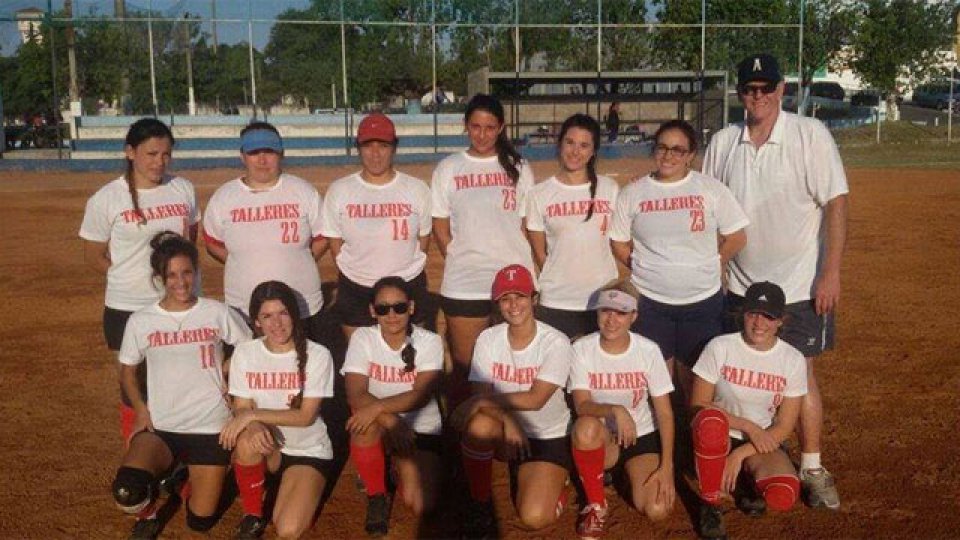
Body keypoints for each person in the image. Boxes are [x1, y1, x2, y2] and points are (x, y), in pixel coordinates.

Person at [702, 53, 848, 509]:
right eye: (750, 89)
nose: (758, 96)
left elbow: (836, 204)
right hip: (739, 288)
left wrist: (831, 271)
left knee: (799, 374)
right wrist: (715, 263)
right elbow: (706, 206)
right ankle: (744, 460)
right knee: (734, 371)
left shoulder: (810, 136)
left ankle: (811, 464)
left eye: (767, 88)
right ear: (740, 94)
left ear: (782, 90)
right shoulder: (725, 142)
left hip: (800, 286)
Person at [110, 232, 251, 539]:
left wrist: (227, 370)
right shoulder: (142, 320)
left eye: (187, 272)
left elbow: (251, 349)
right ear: (159, 278)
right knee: (127, 491)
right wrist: (142, 411)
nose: (181, 281)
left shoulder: (216, 312)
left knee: (200, 522)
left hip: (210, 427)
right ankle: (150, 513)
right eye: (171, 274)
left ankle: (177, 478)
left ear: (196, 273)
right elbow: (127, 372)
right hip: (162, 427)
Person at [79, 117, 200, 443]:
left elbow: (190, 244)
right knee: (133, 384)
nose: (159, 162)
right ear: (130, 152)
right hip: (127, 307)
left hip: (179, 305)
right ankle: (140, 461)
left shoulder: (183, 189)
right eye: (151, 154)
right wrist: (132, 278)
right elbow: (94, 257)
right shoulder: (107, 198)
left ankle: (179, 459)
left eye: (165, 154)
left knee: (182, 380)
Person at [610, 120, 748, 399]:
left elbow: (737, 236)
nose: (668, 155)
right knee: (657, 384)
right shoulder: (634, 193)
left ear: (690, 154)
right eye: (662, 147)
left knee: (696, 383)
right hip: (651, 302)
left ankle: (692, 440)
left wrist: (713, 263)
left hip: (702, 302)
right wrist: (640, 266)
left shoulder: (710, 188)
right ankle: (663, 440)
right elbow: (618, 241)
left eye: (677, 149)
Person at [451, 264, 574, 538]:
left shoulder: (555, 341)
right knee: (480, 425)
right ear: (497, 304)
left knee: (533, 517)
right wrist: (507, 419)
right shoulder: (488, 339)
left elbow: (536, 399)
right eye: (505, 298)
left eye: (520, 296)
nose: (513, 304)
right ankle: (480, 503)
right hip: (505, 431)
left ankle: (559, 480)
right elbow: (479, 396)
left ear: (534, 298)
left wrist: (482, 404)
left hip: (547, 435)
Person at [431, 94, 536, 408]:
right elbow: (440, 225)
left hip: (513, 281)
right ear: (466, 127)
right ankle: (465, 447)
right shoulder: (449, 168)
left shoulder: (519, 167)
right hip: (464, 283)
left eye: (490, 127)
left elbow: (528, 224)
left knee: (512, 370)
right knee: (467, 372)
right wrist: (464, 257)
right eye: (475, 126)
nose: (482, 134)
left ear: (500, 127)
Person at [688, 281, 808, 539]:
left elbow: (785, 425)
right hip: (714, 434)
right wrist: (747, 425)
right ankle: (710, 504)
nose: (759, 323)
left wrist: (740, 453)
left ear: (780, 321)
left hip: (759, 441)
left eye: (768, 316)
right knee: (710, 422)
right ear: (743, 314)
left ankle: (741, 482)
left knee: (782, 495)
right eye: (753, 313)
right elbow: (698, 404)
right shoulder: (720, 346)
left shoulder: (792, 359)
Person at [219, 280, 336, 540]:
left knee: (288, 528)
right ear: (256, 322)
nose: (277, 323)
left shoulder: (318, 355)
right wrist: (251, 422)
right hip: (269, 447)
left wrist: (252, 416)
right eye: (267, 316)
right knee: (246, 440)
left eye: (283, 313)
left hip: (307, 450)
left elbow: (305, 416)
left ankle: (276, 484)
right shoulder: (246, 352)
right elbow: (242, 407)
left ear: (294, 314)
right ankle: (252, 514)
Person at [568, 282, 676, 539]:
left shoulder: (648, 350)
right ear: (596, 313)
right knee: (584, 427)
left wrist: (667, 466)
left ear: (633, 317)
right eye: (606, 311)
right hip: (603, 439)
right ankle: (596, 503)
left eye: (621, 313)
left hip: (641, 435)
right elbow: (582, 405)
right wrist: (615, 410)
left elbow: (665, 414)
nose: (611, 320)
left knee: (657, 509)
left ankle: (624, 475)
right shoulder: (582, 349)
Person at [203, 122, 327, 339]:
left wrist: (299, 259)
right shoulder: (225, 197)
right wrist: (243, 261)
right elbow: (212, 242)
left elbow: (324, 235)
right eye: (254, 153)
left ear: (281, 154)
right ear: (242, 156)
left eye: (269, 151)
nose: (262, 160)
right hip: (244, 305)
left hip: (301, 304)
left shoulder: (303, 191)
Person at [341, 276, 444, 537]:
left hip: (419, 423)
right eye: (383, 308)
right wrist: (391, 420)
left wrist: (379, 410)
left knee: (422, 504)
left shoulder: (429, 341)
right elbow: (355, 393)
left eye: (399, 307)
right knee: (363, 424)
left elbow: (420, 395)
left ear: (410, 307)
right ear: (372, 311)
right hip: (382, 423)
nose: (392, 315)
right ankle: (376, 494)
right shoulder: (363, 337)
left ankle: (392, 462)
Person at [321, 113, 433, 341]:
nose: (375, 153)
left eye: (383, 145)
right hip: (357, 286)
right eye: (368, 146)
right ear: (358, 148)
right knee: (359, 358)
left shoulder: (416, 189)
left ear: (394, 147)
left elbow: (423, 240)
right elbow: (335, 243)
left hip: (408, 283)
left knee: (413, 355)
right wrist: (358, 273)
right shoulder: (340, 190)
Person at [525, 113, 619, 339]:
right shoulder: (539, 194)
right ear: (560, 144)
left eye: (584, 145)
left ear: (593, 150)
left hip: (602, 300)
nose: (575, 151)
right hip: (557, 301)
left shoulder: (610, 189)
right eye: (570, 142)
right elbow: (539, 252)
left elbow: (622, 238)